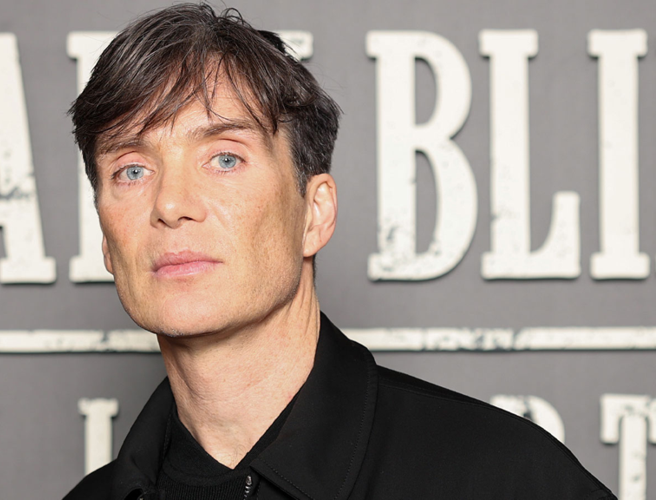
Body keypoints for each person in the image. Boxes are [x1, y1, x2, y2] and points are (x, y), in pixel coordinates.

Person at [64, 4, 615, 499]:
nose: (170, 204)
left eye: (225, 158)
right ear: (107, 238)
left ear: (315, 212)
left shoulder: (507, 478)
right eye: (131, 170)